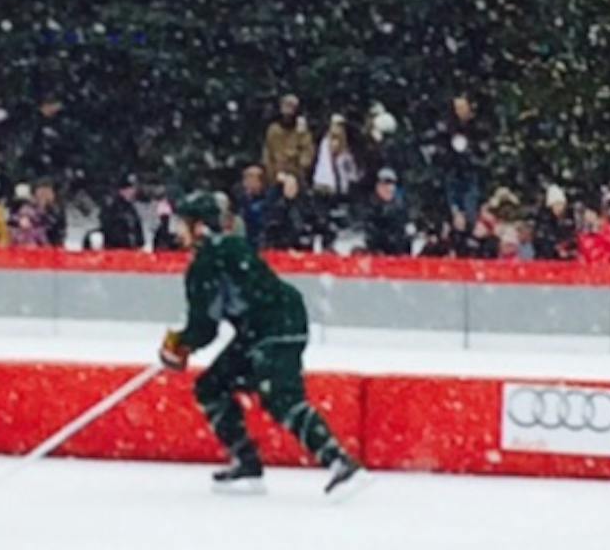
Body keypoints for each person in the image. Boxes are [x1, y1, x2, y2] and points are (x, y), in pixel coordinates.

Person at [158, 192, 366, 501]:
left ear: (199, 227)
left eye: (182, 224)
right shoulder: (228, 248)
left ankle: (339, 461)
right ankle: (247, 464)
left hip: (275, 327)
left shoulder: (206, 262)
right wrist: (187, 342)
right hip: (262, 328)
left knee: (280, 395)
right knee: (212, 386)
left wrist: (181, 344)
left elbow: (205, 326)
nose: (176, 232)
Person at [363, 168, 408, 255]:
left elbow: (403, 228)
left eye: (391, 188)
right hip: (378, 253)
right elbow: (370, 232)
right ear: (378, 187)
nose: (389, 190)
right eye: (385, 187)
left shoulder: (400, 205)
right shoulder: (370, 206)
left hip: (400, 253)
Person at [99, 174, 145, 249]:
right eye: (130, 189)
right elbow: (109, 231)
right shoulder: (112, 208)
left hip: (132, 252)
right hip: (116, 252)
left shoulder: (131, 209)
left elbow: (138, 231)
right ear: (122, 190)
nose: (133, 192)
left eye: (133, 189)